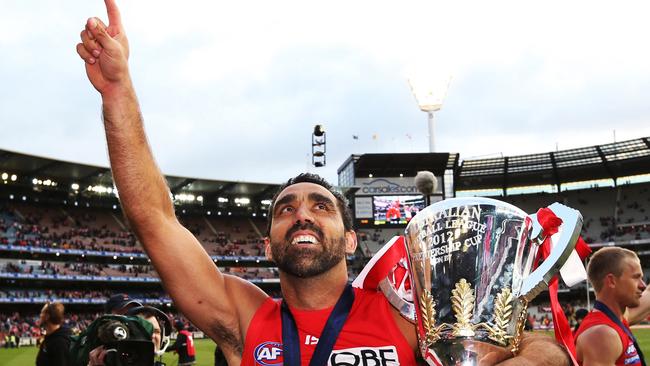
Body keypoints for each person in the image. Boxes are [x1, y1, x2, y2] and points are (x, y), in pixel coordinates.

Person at [75, 1, 572, 364]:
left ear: (351, 239)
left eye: (320, 205)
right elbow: (155, 220)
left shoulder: (405, 313)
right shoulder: (244, 318)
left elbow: (537, 345)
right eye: (285, 209)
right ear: (268, 246)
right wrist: (118, 90)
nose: (302, 214)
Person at [575, 247, 647, 366]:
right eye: (636, 277)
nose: (642, 285)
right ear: (611, 281)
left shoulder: (616, 320)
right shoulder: (602, 335)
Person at [36, 302, 72, 366]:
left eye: (42, 312)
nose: (40, 315)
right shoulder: (50, 337)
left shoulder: (60, 343)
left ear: (47, 316)